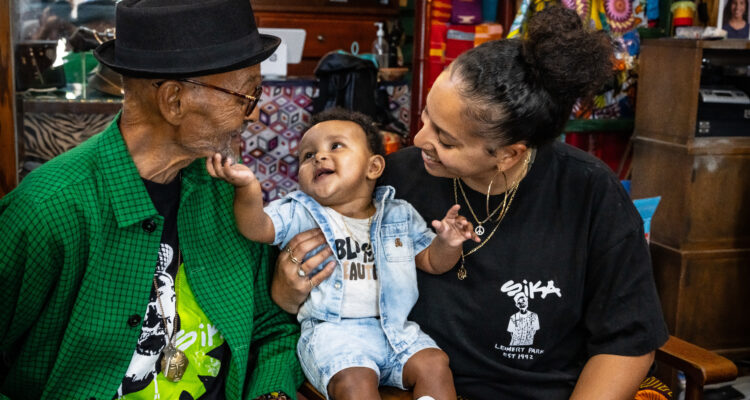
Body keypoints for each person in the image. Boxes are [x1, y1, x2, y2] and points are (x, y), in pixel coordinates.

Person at [271, 7, 669, 399]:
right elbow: (316, 296)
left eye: (446, 140)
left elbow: (627, 340)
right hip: (411, 385)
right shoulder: (389, 181)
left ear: (508, 155)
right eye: (426, 116)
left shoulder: (589, 193)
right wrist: (289, 288)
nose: (421, 139)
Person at [0, 0, 303, 399]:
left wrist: (272, 395)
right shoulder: (49, 210)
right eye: (246, 95)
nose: (254, 114)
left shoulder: (225, 192)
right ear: (174, 101)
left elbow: (272, 328)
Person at [207, 107, 479, 400]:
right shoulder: (302, 211)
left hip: (396, 330)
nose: (319, 157)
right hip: (334, 335)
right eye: (307, 155)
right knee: (355, 381)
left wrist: (448, 243)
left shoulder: (398, 213)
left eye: (335, 146)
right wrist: (248, 189)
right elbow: (257, 227)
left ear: (373, 167)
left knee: (435, 364)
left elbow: (430, 262)